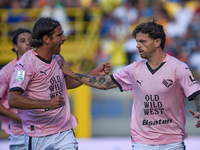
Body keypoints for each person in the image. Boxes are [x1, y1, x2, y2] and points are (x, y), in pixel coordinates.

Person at [60, 19, 200, 150]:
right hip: (142, 142)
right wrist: (72, 74)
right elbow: (106, 83)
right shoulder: (133, 69)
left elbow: (196, 93)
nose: (137, 45)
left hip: (172, 142)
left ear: (157, 42)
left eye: (142, 42)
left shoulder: (178, 67)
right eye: (137, 41)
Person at [8, 17, 110, 150]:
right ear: (46, 39)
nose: (64, 38)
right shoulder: (25, 64)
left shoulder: (58, 58)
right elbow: (13, 99)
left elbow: (66, 83)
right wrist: (47, 104)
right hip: (38, 135)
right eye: (59, 35)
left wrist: (94, 72)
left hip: (63, 132)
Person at [0, 28, 32, 150]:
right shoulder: (6, 72)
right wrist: (17, 118)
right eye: (23, 40)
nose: (28, 43)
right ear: (15, 46)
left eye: (30, 40)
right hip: (19, 133)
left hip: (43, 130)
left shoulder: (41, 65)